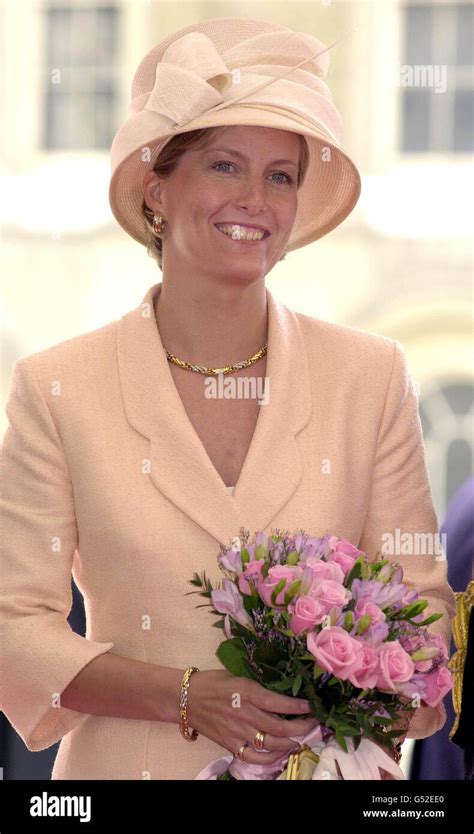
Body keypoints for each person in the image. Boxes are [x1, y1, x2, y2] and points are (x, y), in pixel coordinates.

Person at [0, 17, 456, 781]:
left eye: (281, 174)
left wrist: (346, 693)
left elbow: (424, 620)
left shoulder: (371, 376)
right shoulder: (58, 387)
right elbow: (15, 630)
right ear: (156, 189)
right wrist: (185, 696)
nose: (256, 199)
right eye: (224, 166)